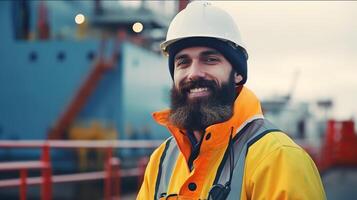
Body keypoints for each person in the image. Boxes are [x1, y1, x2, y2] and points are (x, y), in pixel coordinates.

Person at [137, 1, 326, 200]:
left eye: (210, 59)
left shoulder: (278, 159)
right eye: (183, 62)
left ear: (237, 73)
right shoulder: (161, 161)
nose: (193, 73)